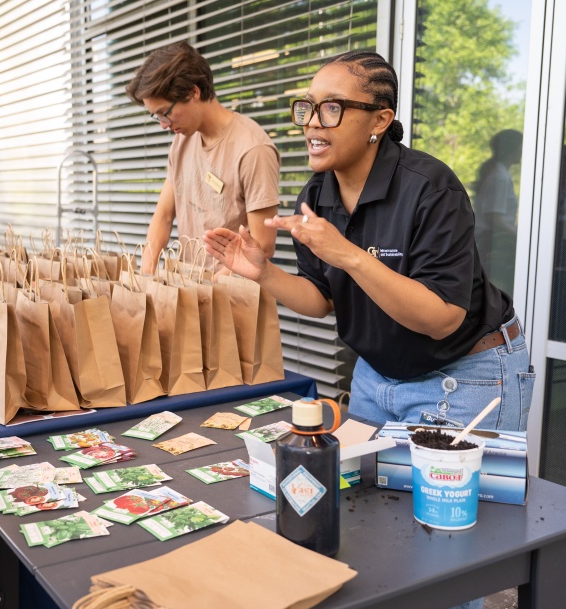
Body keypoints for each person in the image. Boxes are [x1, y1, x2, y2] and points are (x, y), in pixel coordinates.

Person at [204, 51, 534, 436]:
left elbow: (442, 319)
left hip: (463, 374)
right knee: (361, 493)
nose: (312, 122)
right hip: (375, 377)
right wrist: (264, 273)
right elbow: (322, 297)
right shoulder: (316, 196)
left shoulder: (430, 188)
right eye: (308, 107)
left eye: (331, 108)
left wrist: (347, 254)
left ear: (380, 119)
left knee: (447, 498)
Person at [125, 40, 281, 273]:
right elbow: (164, 216)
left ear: (193, 92)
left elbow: (263, 246)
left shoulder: (252, 148)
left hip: (234, 297)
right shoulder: (182, 142)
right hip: (191, 293)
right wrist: (145, 278)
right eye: (156, 117)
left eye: (164, 113)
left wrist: (208, 290)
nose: (163, 125)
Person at [473, 129, 523, 295]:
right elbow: (493, 217)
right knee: (496, 289)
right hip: (490, 241)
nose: (522, 151)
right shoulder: (499, 177)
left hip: (489, 238)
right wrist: (519, 235)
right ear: (513, 148)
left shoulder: (500, 173)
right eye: (520, 146)